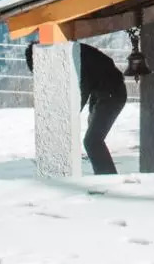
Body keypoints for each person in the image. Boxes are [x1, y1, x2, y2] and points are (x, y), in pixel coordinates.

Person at [25, 41, 127, 175]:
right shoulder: (73, 52)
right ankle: (106, 176)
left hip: (111, 94)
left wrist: (68, 114)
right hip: (106, 93)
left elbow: (80, 91)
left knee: (92, 141)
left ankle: (107, 178)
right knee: (93, 140)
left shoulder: (74, 59)